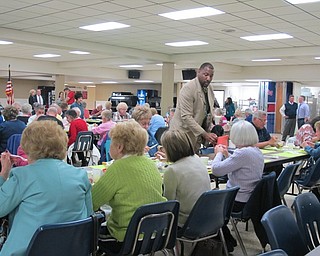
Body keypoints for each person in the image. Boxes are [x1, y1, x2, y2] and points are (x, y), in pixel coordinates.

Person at [0, 120, 93, 255]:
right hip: (72, 249)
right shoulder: (80, 175)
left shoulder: (21, 176)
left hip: (28, 250)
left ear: (27, 146)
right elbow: (88, 215)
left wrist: (3, 174)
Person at [91, 120, 166, 246]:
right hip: (156, 232)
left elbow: (92, 202)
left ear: (119, 147)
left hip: (127, 236)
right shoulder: (150, 164)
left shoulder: (117, 168)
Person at [211, 120, 264, 252]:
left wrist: (218, 153)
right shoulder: (255, 151)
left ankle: (226, 241)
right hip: (250, 198)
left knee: (208, 207)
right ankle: (228, 239)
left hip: (238, 201)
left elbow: (216, 170)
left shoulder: (243, 153)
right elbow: (239, 165)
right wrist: (227, 155)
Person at [161, 130, 211, 226]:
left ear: (169, 149)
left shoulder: (172, 171)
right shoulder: (196, 158)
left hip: (185, 221)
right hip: (207, 216)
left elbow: (168, 203)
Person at [170, 62, 217, 152]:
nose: (208, 78)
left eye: (211, 76)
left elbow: (207, 111)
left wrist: (208, 131)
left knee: (195, 160)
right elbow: (186, 117)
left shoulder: (210, 88)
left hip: (196, 134)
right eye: (205, 74)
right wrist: (205, 134)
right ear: (198, 72)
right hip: (182, 134)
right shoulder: (188, 88)